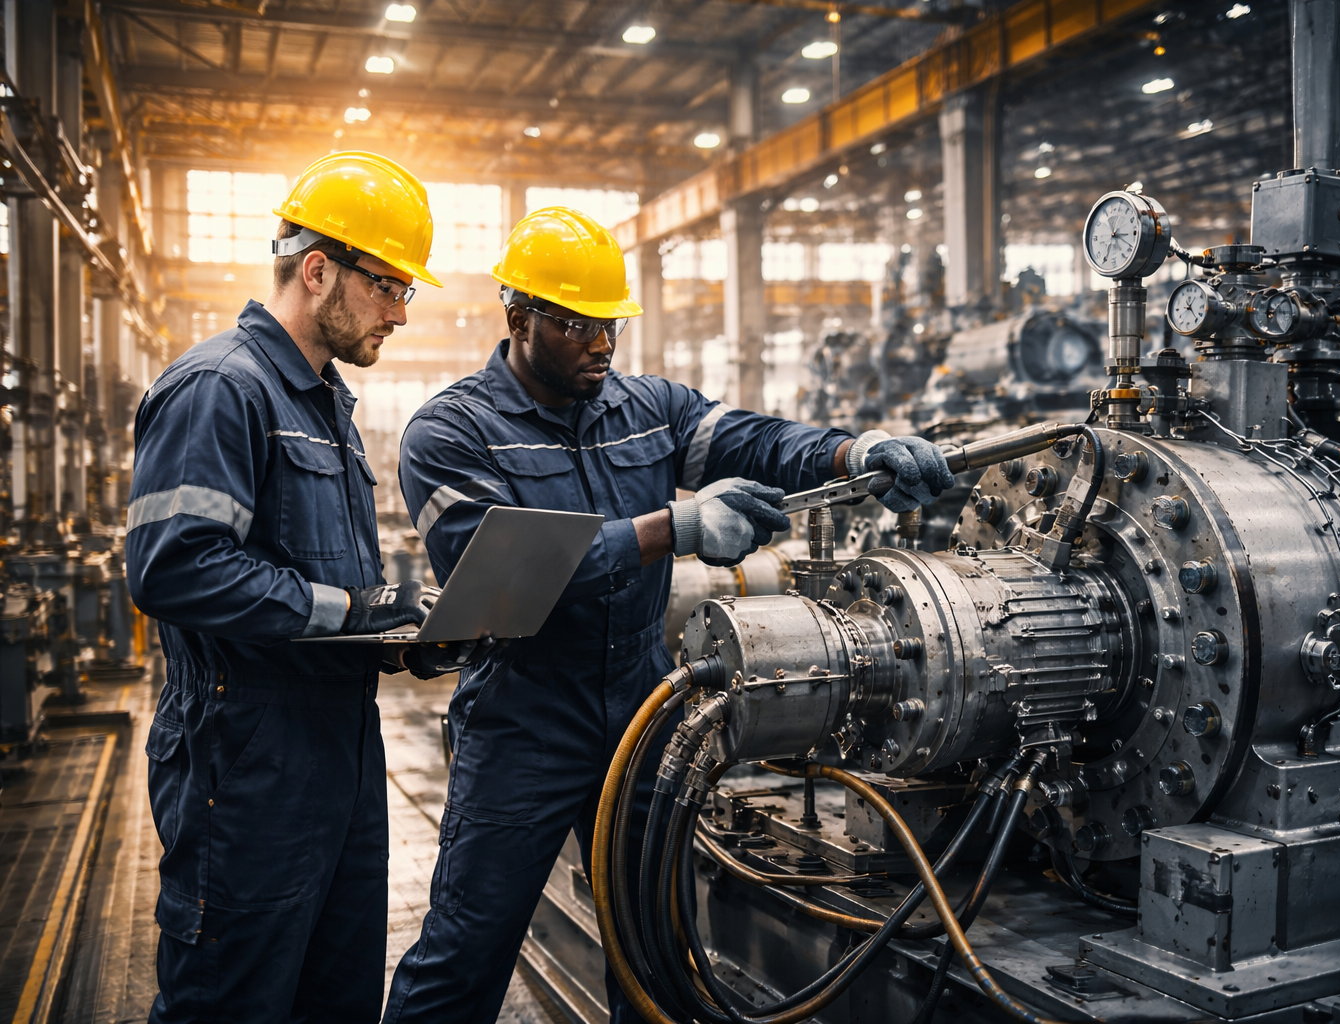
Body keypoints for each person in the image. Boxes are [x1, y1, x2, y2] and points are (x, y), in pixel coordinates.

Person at [384, 206, 955, 1023]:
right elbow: (499, 579)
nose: (602, 344)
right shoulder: (451, 432)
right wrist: (673, 528)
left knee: (655, 950)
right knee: (466, 952)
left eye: (611, 323)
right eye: (579, 323)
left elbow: (754, 440)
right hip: (525, 723)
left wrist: (852, 451)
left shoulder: (647, 408)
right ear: (519, 319)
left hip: (641, 712)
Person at [128, 151, 483, 1023]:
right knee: (235, 1000)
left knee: (337, 997)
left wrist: (400, 634)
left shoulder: (325, 405)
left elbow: (328, 584)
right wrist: (350, 610)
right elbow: (175, 566)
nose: (402, 313)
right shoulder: (222, 388)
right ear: (319, 268)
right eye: (389, 287)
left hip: (339, 757)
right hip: (246, 763)